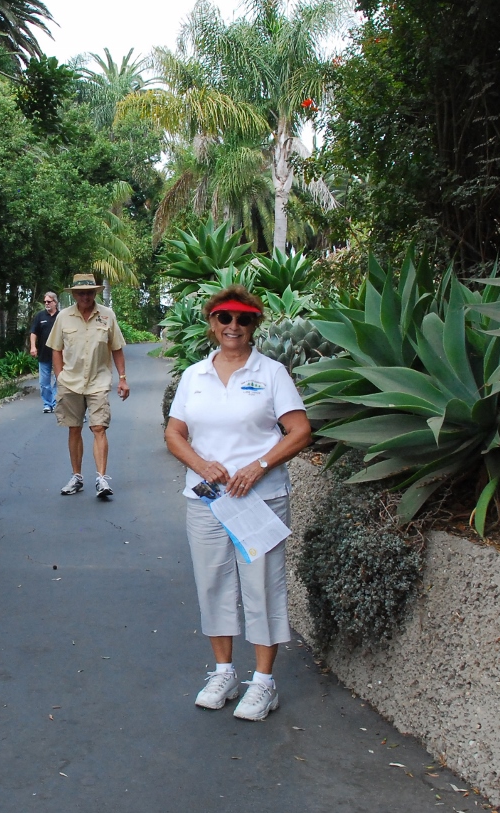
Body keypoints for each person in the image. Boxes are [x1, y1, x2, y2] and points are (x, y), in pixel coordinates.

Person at [163, 285, 312, 721]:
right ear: (211, 323)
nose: (233, 327)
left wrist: (259, 465)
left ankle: (264, 682)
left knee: (262, 585)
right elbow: (174, 433)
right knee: (212, 582)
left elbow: (300, 431)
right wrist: (201, 464)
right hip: (207, 499)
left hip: (259, 500)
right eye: (225, 318)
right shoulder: (194, 375)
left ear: (254, 326)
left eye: (243, 320)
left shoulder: (271, 373)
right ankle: (224, 672)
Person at [46, 273, 129, 499]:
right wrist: (59, 375)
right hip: (70, 382)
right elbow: (56, 348)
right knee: (74, 428)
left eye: (89, 292)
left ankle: (101, 479)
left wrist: (122, 377)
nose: (85, 296)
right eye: (81, 292)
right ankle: (76, 476)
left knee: (99, 427)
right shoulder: (63, 317)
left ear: (95, 293)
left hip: (98, 381)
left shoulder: (107, 315)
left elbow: (117, 347)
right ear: (74, 294)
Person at [29, 291, 60, 413]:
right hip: (43, 353)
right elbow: (33, 333)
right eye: (45, 301)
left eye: (49, 301)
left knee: (60, 380)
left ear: (55, 302)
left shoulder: (61, 316)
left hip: (59, 354)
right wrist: (33, 347)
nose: (46, 303)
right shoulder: (40, 316)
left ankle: (56, 401)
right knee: (43, 382)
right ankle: (47, 403)